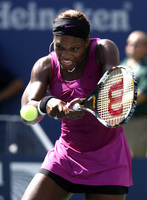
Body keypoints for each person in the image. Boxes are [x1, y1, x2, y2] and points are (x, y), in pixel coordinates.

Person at [21, 9, 132, 200]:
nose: (66, 55)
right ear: (53, 41)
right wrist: (48, 103)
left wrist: (91, 101)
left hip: (108, 159)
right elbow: (26, 113)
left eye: (75, 48)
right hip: (66, 157)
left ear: (87, 42)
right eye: (59, 46)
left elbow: (111, 93)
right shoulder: (45, 66)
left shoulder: (104, 49)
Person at [121, 30, 147, 157]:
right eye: (130, 43)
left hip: (140, 122)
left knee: (137, 161)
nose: (132, 47)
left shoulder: (145, 68)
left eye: (137, 44)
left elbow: (141, 96)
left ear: (145, 47)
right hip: (122, 122)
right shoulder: (123, 65)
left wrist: (118, 103)